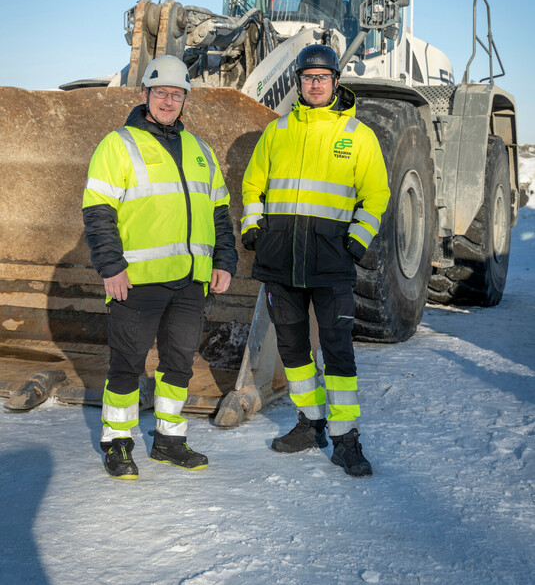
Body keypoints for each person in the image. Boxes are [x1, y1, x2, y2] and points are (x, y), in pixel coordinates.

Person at [83, 55, 238, 480]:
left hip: (190, 282)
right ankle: (117, 441)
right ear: (146, 95)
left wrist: (225, 260)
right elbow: (98, 212)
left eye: (176, 93)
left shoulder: (200, 149)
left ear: (184, 99)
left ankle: (169, 439)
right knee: (127, 365)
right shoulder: (119, 144)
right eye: (161, 92)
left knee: (179, 365)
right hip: (136, 281)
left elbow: (220, 212)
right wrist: (110, 267)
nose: (168, 101)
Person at [241, 44, 390, 477]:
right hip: (280, 261)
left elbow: (375, 195)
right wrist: (253, 228)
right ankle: (310, 423)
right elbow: (254, 185)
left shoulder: (357, 135)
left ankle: (346, 439)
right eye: (308, 77)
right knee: (293, 349)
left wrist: (357, 241)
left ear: (336, 83)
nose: (315, 84)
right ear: (299, 83)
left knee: (338, 353)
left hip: (331, 261)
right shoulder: (278, 131)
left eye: (323, 77)